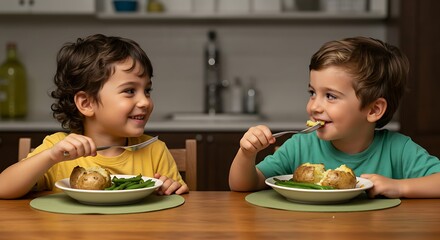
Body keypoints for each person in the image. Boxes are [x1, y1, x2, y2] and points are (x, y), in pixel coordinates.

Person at [229, 36, 440, 198]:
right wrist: (247, 154)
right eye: (312, 93)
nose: (314, 106)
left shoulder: (398, 150)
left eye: (330, 96)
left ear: (374, 110)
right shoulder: (300, 145)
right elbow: (242, 185)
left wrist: (400, 187)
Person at [0, 34, 188, 199]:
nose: (145, 102)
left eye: (147, 90)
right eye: (130, 91)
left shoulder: (155, 150)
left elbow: (177, 200)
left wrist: (172, 188)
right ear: (86, 103)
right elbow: (3, 188)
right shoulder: (57, 149)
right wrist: (50, 157)